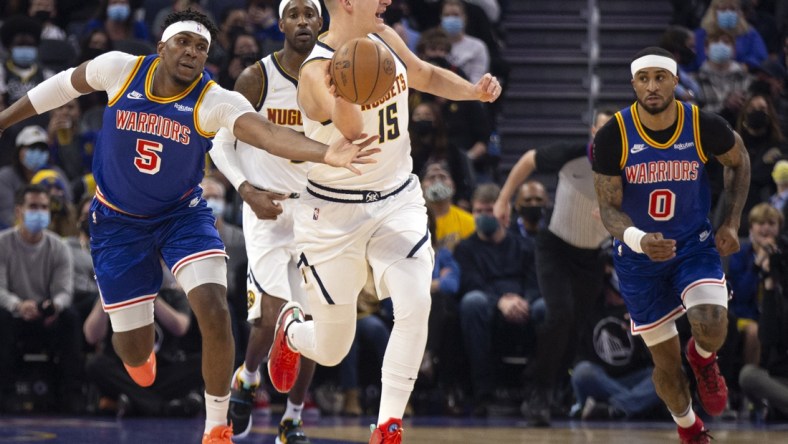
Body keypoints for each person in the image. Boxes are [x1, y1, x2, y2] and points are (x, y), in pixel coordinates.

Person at [0, 9, 377, 443]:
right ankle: (141, 355)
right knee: (136, 360)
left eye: (201, 48)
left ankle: (216, 427)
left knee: (216, 312)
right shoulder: (119, 69)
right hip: (118, 224)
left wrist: (325, 153)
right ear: (161, 47)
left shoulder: (214, 99)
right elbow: (59, 86)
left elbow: (268, 133)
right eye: (184, 43)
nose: (193, 53)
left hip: (182, 216)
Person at [266, 0, 501, 441]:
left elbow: (424, 75)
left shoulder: (386, 37)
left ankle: (388, 424)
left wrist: (472, 91)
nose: (389, 1)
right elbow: (354, 133)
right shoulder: (315, 74)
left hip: (397, 199)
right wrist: (350, 87)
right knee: (334, 349)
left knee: (415, 302)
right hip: (333, 213)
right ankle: (293, 331)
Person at [592, 47, 750, 443]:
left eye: (660, 77)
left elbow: (739, 158)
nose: (652, 86)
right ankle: (688, 426)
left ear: (675, 81)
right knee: (665, 364)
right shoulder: (613, 135)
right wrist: (639, 239)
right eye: (643, 79)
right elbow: (609, 210)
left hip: (693, 247)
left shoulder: (701, 124)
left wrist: (730, 221)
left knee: (712, 325)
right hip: (638, 260)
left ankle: (703, 356)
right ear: (633, 85)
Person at [208, 0, 323, 440]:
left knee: (316, 327)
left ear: (320, 22)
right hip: (267, 209)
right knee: (273, 316)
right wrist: (246, 190)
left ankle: (291, 419)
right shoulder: (258, 77)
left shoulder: (335, 77)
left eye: (309, 13)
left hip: (317, 212)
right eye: (293, 14)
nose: (302, 21)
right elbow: (221, 145)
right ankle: (248, 378)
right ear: (280, 24)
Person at [492, 109, 614, 426]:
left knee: (575, 327)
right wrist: (504, 199)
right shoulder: (571, 155)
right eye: (602, 129)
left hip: (592, 257)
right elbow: (529, 159)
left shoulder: (630, 169)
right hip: (555, 248)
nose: (607, 135)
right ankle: (539, 392)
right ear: (592, 132)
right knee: (559, 315)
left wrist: (618, 216)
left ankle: (553, 388)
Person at [454, 183, 537, 416]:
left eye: (489, 211)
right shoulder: (465, 249)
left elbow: (535, 282)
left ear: (504, 212)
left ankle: (541, 392)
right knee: (472, 302)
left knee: (545, 307)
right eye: (479, 211)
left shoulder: (525, 245)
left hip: (524, 306)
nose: (483, 216)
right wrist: (500, 301)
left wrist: (524, 301)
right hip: (487, 307)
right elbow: (470, 283)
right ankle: (483, 394)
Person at [0, 184, 81, 413]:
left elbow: (65, 291)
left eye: (44, 207)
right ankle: (5, 395)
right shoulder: (3, 243)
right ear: (19, 211)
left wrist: (55, 306)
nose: (40, 212)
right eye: (33, 206)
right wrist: (18, 305)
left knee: (71, 317)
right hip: (13, 317)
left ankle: (72, 397)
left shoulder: (59, 247)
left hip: (47, 318)